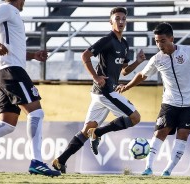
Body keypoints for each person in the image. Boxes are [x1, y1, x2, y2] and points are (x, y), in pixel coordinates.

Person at [116, 22, 190, 176]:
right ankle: (148, 168)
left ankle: (168, 171)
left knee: (183, 134)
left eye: (162, 41)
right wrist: (127, 86)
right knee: (161, 132)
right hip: (170, 102)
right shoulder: (157, 59)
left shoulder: (187, 52)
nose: (159, 44)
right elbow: (142, 75)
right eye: (156, 41)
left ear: (171, 39)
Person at [52, 7, 146, 173]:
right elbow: (85, 56)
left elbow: (123, 70)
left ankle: (60, 161)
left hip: (100, 93)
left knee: (86, 130)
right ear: (111, 21)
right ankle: (99, 133)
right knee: (135, 117)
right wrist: (96, 77)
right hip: (105, 91)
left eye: (123, 18)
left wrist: (137, 62)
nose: (121, 21)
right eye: (117, 18)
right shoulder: (107, 40)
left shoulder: (124, 44)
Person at [0, 0, 60, 177]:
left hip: (6, 70)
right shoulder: (6, 8)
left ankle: (37, 161)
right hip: (12, 71)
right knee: (36, 113)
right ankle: (37, 162)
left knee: (7, 124)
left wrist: (33, 55)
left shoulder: (13, 14)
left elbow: (12, 48)